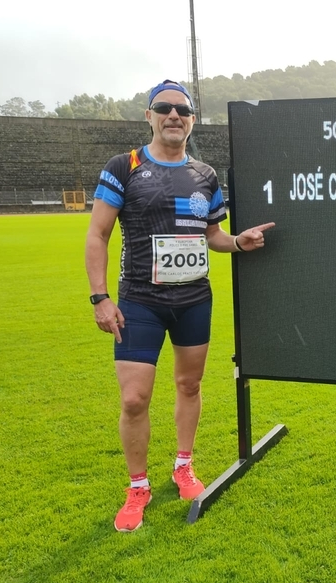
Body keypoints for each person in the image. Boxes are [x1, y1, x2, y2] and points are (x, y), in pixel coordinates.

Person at [85, 79, 274, 532]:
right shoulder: (124, 166)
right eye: (164, 108)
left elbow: (212, 236)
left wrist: (239, 242)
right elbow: (98, 235)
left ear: (191, 121)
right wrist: (100, 297)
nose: (174, 116)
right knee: (134, 399)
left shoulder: (205, 175)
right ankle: (138, 486)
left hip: (193, 299)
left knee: (189, 385)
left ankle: (183, 465)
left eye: (182, 111)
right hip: (139, 301)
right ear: (148, 116)